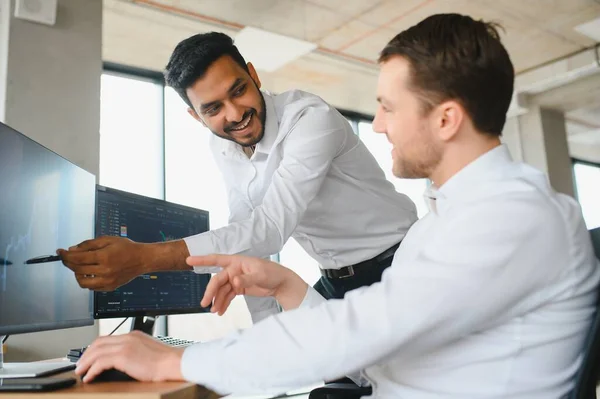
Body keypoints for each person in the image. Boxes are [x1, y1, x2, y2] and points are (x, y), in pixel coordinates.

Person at [74, 13, 600, 398]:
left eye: (389, 107)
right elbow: (378, 357)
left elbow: (365, 332)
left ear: (445, 120)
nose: (378, 126)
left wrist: (186, 359)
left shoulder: (508, 218)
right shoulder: (445, 223)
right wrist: (285, 287)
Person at [58, 32, 418, 321]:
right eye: (213, 109)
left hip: (396, 267)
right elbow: (247, 246)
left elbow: (269, 230)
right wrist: (268, 334)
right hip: (334, 281)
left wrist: (144, 258)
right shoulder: (225, 146)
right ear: (196, 117)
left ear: (253, 75)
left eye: (239, 91)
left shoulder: (309, 119)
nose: (235, 114)